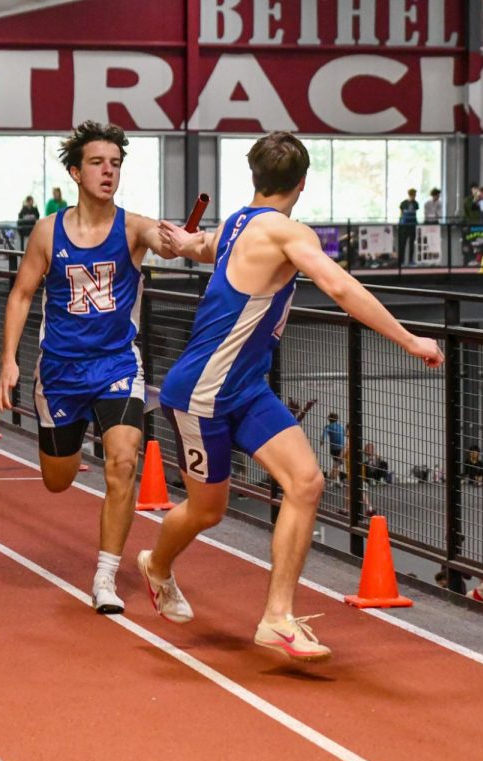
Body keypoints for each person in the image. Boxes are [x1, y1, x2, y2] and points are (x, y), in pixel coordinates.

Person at [143, 131, 444, 661]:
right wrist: (411, 340)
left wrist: (181, 242)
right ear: (302, 185)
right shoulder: (286, 232)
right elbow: (342, 288)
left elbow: (204, 245)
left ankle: (277, 618)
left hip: (246, 388)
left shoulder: (240, 221)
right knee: (207, 511)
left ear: (256, 178)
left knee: (306, 481)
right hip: (202, 392)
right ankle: (156, 565)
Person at [0, 121, 175, 617]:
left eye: (115, 164)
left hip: (117, 363)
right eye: (97, 163)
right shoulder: (48, 232)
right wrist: (9, 360)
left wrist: (189, 242)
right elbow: (22, 294)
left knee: (123, 463)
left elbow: (172, 242)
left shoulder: (134, 228)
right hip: (60, 372)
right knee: (59, 479)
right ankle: (72, 441)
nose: (108, 172)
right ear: (76, 172)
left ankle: (105, 576)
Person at [398, 188, 419, 266]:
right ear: (411, 194)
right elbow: (400, 213)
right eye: (414, 195)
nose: (415, 196)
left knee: (411, 243)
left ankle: (411, 260)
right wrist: (400, 222)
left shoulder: (416, 203)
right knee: (403, 243)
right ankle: (401, 261)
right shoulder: (403, 203)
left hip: (412, 225)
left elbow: (415, 212)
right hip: (404, 226)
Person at [322, 412, 345, 482]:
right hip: (341, 447)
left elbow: (324, 435)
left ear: (329, 419)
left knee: (337, 463)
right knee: (337, 463)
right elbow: (344, 434)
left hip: (333, 448)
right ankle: (332, 478)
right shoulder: (340, 426)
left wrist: (322, 441)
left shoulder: (328, 427)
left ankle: (335, 478)